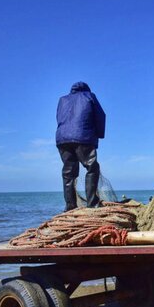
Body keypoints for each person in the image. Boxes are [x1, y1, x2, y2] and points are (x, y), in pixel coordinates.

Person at [55, 81, 106, 211]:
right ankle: (92, 203)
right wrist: (99, 135)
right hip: (83, 137)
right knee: (92, 167)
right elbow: (100, 116)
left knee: (68, 172)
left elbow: (59, 118)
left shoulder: (62, 100)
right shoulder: (89, 96)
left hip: (62, 139)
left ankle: (70, 206)